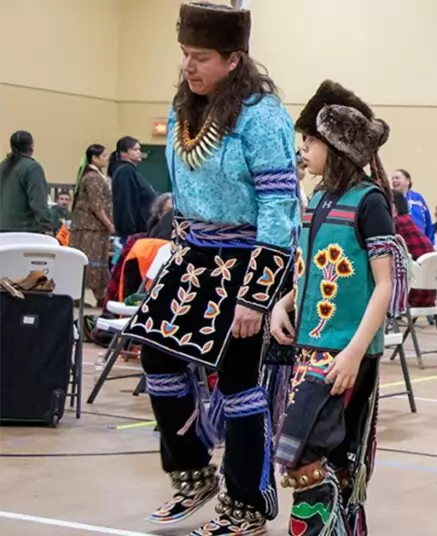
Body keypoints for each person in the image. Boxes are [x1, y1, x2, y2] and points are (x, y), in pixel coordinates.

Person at [118, 3, 299, 534]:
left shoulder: (262, 116)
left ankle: (247, 504)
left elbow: (279, 208)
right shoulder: (184, 108)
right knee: (156, 359)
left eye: (200, 57)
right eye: (184, 55)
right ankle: (194, 473)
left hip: (248, 261)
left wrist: (255, 296)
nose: (189, 67)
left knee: (239, 381)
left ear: (233, 59)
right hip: (191, 254)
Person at [269, 78, 407, 536]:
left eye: (309, 141)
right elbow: (310, 267)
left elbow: (384, 286)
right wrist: (283, 303)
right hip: (310, 346)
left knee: (303, 456)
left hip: (343, 351)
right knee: (325, 453)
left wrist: (353, 352)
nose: (302, 150)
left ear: (336, 145)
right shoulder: (321, 201)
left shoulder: (368, 203)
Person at [70, 144, 115, 308]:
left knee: (96, 260)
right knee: (91, 260)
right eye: (104, 156)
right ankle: (88, 295)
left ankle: (98, 296)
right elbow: (97, 206)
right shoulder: (92, 178)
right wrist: (109, 224)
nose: (107, 158)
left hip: (93, 228)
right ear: (94, 158)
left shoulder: (96, 175)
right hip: (89, 228)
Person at [0, 131, 53, 234]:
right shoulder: (32, 168)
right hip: (25, 230)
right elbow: (38, 201)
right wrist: (47, 226)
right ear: (31, 146)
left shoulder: (2, 167)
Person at [393, 193, 436, 308]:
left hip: (411, 296)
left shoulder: (396, 224)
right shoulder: (409, 221)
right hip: (429, 295)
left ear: (393, 206)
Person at [110, 135, 155, 240]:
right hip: (133, 231)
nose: (139, 152)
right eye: (135, 149)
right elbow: (126, 200)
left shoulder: (132, 171)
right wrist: (130, 230)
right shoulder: (125, 171)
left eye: (139, 149)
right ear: (124, 153)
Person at [390, 168, 434, 241]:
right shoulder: (390, 198)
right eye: (392, 179)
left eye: (397, 178)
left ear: (407, 181)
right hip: (400, 239)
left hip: (419, 238)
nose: (394, 180)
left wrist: (430, 241)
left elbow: (427, 219)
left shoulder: (418, 198)